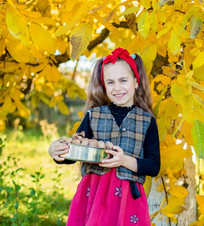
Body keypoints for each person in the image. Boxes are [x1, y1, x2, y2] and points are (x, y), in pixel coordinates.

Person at [48, 47, 160, 225]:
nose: (117, 88)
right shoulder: (94, 116)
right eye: (110, 82)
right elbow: (77, 151)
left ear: (136, 81)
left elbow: (153, 166)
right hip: (93, 193)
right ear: (104, 85)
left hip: (127, 199)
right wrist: (58, 153)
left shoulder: (147, 121)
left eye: (123, 80)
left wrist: (124, 160)